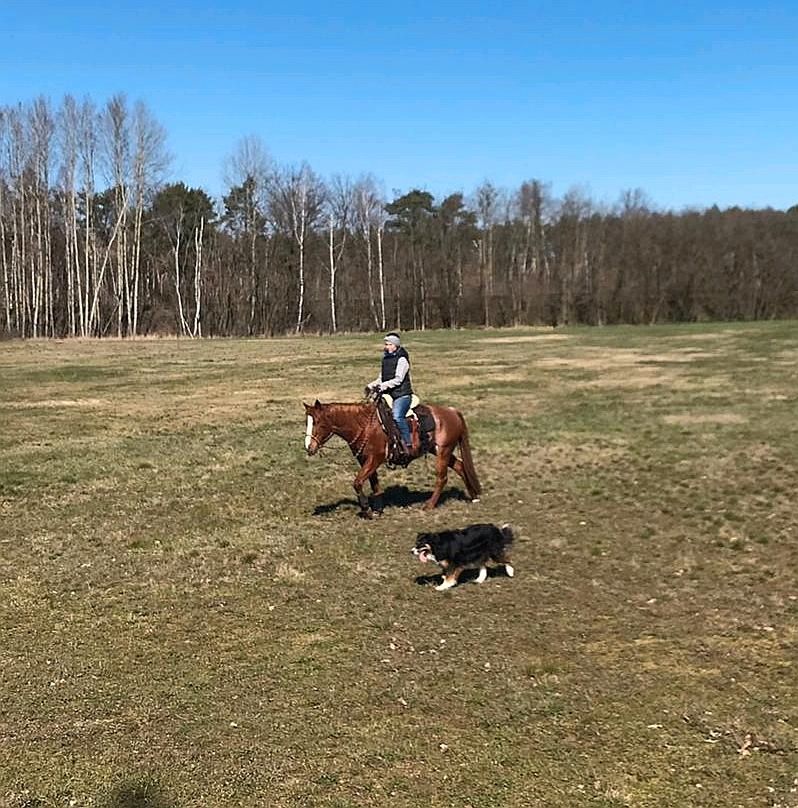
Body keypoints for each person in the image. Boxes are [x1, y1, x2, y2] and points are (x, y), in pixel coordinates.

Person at [367, 332, 414, 458]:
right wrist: (371, 386)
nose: (386, 346)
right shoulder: (386, 359)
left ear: (395, 345)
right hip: (389, 394)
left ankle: (407, 442)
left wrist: (382, 386)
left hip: (402, 395)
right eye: (386, 344)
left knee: (397, 416)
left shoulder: (402, 360)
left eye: (388, 344)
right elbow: (381, 378)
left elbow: (398, 379)